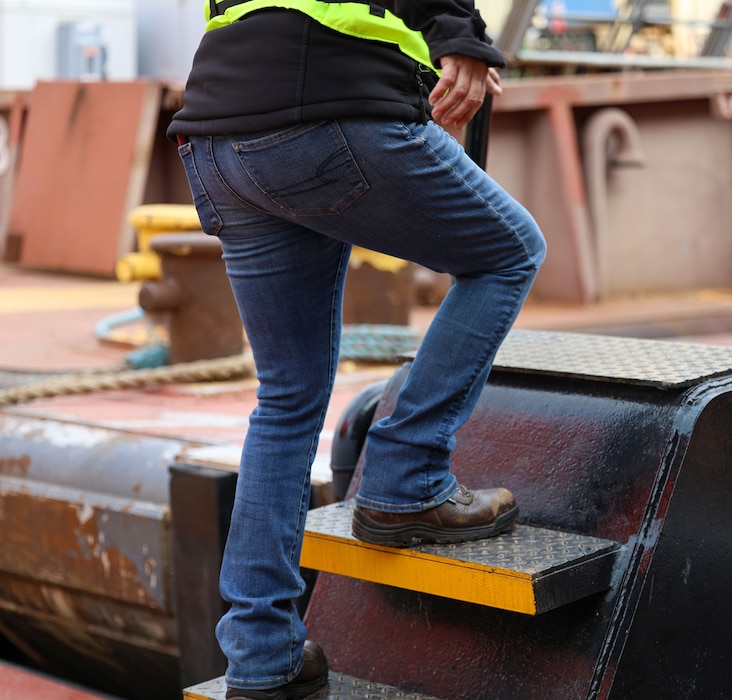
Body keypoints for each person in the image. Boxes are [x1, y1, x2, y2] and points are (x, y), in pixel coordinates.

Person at [168, 1, 547, 698]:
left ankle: (259, 655)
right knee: (510, 250)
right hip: (329, 108)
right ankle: (408, 476)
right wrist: (461, 35)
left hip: (217, 132)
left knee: (285, 399)